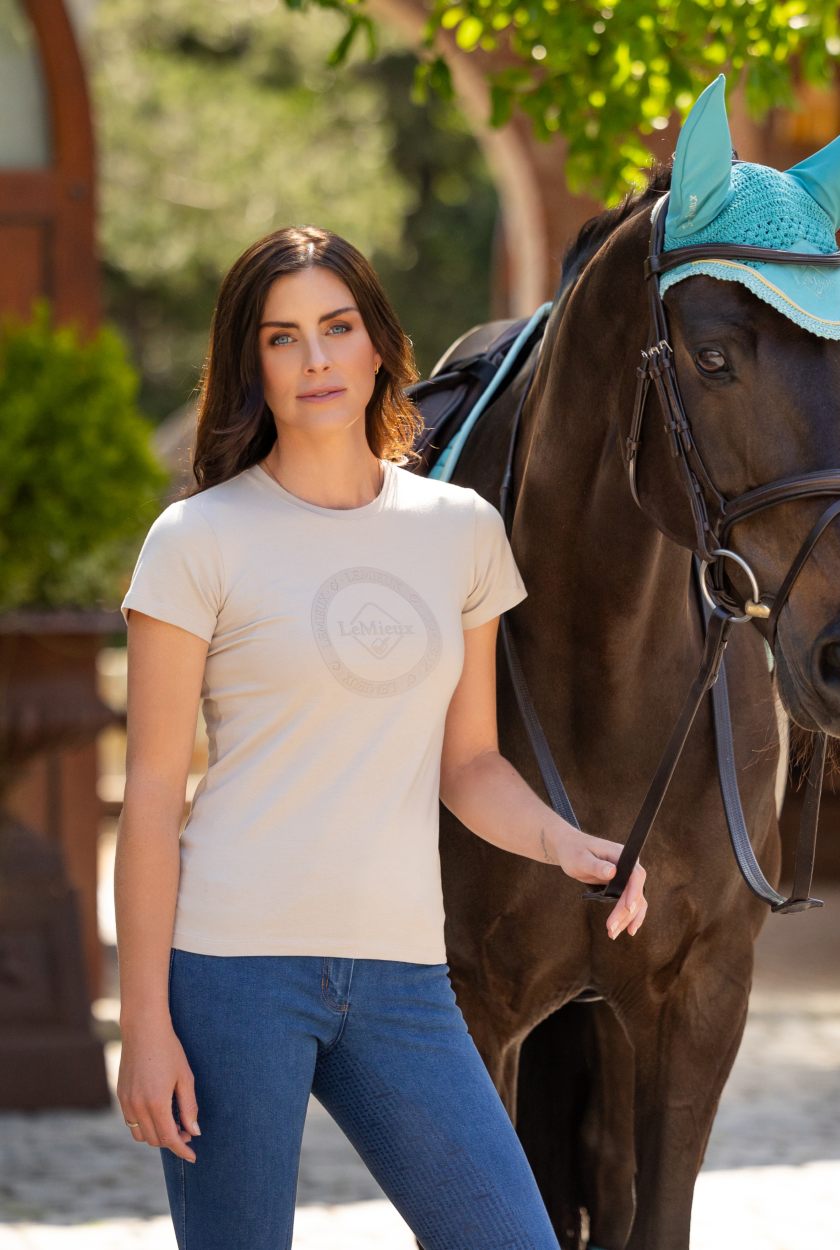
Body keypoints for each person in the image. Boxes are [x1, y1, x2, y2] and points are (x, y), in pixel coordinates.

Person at [113, 224, 648, 1250]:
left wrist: (568, 841)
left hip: (403, 976)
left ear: (377, 345)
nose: (315, 359)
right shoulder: (198, 540)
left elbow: (470, 763)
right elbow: (150, 798)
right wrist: (145, 1024)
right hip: (232, 972)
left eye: (337, 327)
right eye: (282, 338)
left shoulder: (459, 530)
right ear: (251, 365)